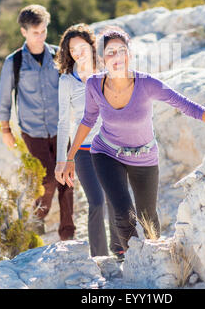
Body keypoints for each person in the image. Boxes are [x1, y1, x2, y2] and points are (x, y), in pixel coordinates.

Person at [62, 27, 205, 254]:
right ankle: (132, 259)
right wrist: (70, 156)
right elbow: (87, 120)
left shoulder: (146, 84)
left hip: (144, 157)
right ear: (102, 58)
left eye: (121, 51)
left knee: (147, 217)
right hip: (107, 153)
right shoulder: (95, 84)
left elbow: (183, 104)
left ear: (129, 55)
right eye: (110, 52)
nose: (117, 57)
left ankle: (153, 256)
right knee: (123, 213)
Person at [0, 4, 75, 241]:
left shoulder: (58, 55)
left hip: (60, 129)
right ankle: (35, 223)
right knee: (49, 178)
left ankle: (67, 234)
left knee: (67, 180)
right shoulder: (14, 62)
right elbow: (4, 97)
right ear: (24, 32)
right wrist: (5, 129)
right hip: (32, 133)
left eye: (43, 31)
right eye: (35, 33)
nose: (40, 37)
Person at [54, 24, 124, 258]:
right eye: (71, 49)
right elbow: (63, 122)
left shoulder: (106, 71)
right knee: (96, 202)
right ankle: (100, 257)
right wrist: (61, 161)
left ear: (91, 46)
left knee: (116, 199)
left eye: (80, 46)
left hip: (110, 146)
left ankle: (120, 249)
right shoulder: (66, 81)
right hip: (83, 150)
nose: (76, 52)